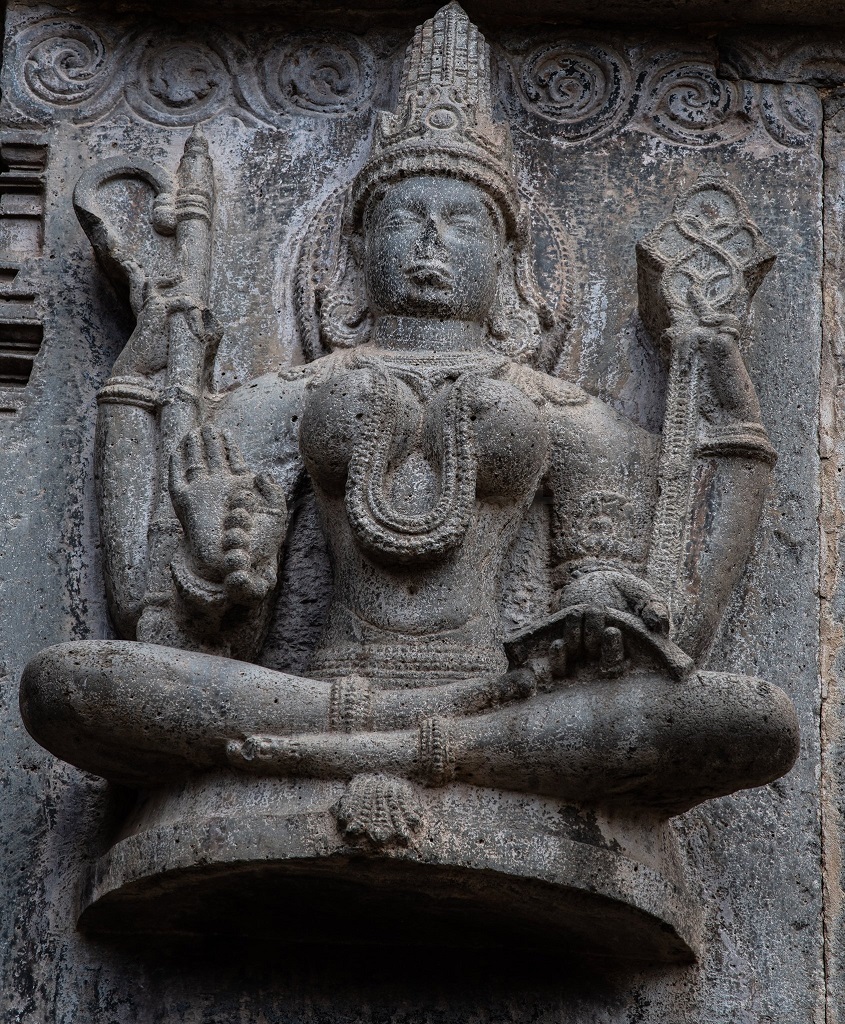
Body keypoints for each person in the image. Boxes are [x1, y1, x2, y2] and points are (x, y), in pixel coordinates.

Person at [20, 3, 798, 821]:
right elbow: (166, 633)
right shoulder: (280, 398)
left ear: (508, 256)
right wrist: (220, 573)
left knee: (749, 719)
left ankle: (352, 750)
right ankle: (435, 746)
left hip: (499, 690)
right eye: (403, 218)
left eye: (461, 222)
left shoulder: (565, 413)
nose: (430, 242)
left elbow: (633, 607)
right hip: (328, 691)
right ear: (357, 247)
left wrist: (601, 609)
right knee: (71, 684)